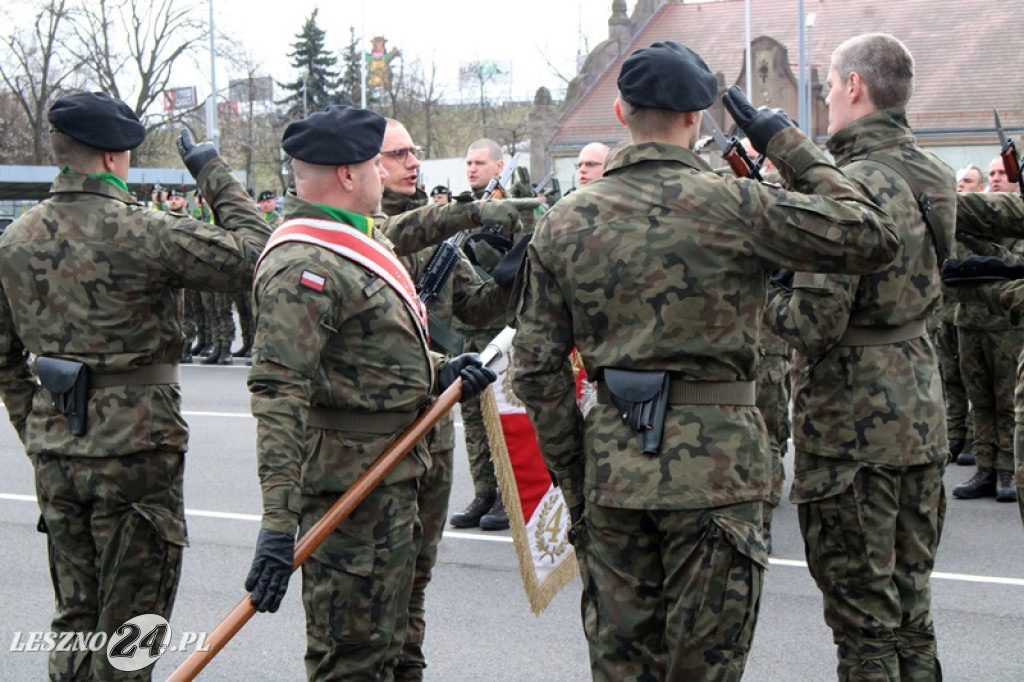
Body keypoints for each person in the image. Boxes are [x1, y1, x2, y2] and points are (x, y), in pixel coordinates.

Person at [511, 41, 901, 681]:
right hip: (719, 474)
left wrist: (579, 474)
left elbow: (535, 369)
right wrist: (786, 144)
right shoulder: (735, 204)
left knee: (621, 669)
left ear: (620, 113)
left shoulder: (564, 222)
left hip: (614, 472)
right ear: (695, 118)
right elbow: (873, 234)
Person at [0, 91, 270, 681]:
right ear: (113, 156)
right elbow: (258, 255)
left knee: (75, 619)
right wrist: (212, 172)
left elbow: (4, 361)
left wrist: (38, 429)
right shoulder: (146, 230)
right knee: (132, 633)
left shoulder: (14, 240)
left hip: (57, 455)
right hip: (137, 456)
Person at [242, 105, 497, 680]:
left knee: (395, 645)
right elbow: (279, 393)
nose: (386, 174)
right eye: (375, 165)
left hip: (393, 476)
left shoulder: (355, 243)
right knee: (352, 660)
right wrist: (278, 523)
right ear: (348, 175)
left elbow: (367, 353)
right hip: (350, 491)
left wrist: (439, 370)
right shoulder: (304, 262)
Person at [763, 34, 954, 680]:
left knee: (865, 629)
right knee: (912, 615)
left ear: (855, 87)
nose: (825, 100)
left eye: (828, 87)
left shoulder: (847, 188)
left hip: (852, 429)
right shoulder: (934, 174)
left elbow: (814, 323)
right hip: (921, 411)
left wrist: (764, 294)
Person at [377, 117, 532, 680]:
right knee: (376, 581)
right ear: (364, 165)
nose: (413, 162)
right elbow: (397, 233)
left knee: (417, 576)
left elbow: (472, 306)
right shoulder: (361, 234)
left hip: (433, 421)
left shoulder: (439, 240)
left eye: (414, 152)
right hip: (380, 431)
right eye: (398, 154)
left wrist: (514, 276)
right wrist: (467, 214)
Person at [449, 138, 525, 531]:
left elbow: (523, 263)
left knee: (503, 418)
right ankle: (484, 492)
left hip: (501, 330)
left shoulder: (512, 210)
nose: (472, 169)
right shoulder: (459, 212)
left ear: (499, 166)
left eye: (480, 162)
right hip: (468, 331)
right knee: (473, 417)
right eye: (468, 162)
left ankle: (507, 497)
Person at [944, 190, 1024, 522]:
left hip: (1006, 325)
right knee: (979, 400)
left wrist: (975, 241)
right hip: (969, 321)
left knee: (1006, 401)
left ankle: (1007, 469)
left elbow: (1012, 265)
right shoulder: (962, 227)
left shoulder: (1014, 225)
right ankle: (985, 466)